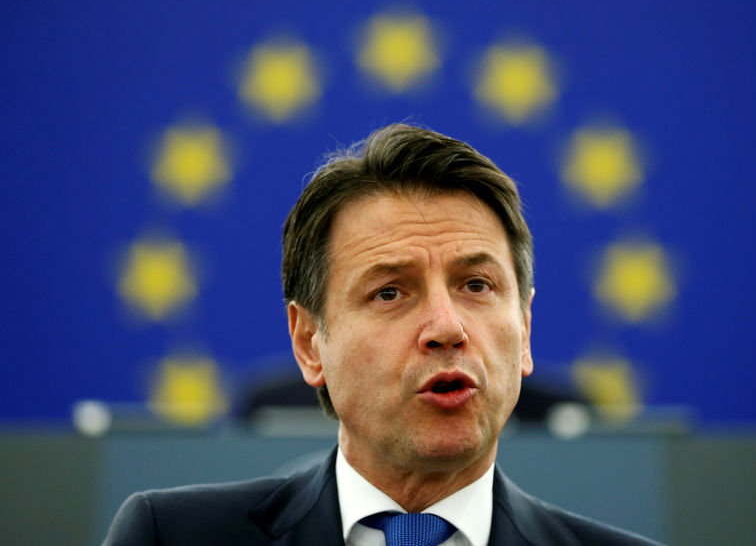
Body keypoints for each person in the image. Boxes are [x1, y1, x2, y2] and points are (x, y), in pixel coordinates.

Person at [103, 124, 663, 545]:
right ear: (308, 343)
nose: (447, 327)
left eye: (476, 284)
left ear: (525, 329)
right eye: (390, 292)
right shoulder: (169, 536)